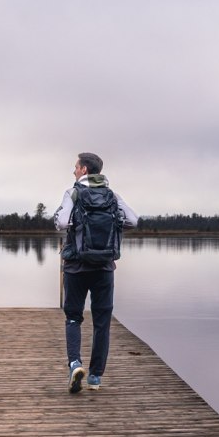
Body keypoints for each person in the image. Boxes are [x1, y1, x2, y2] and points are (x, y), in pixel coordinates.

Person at [53, 152, 137, 393]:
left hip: (76, 266)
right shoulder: (112, 195)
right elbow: (133, 220)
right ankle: (95, 377)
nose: (73, 171)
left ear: (84, 170)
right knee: (102, 322)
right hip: (104, 267)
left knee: (73, 317)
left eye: (76, 167)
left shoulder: (73, 193)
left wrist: (75, 225)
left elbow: (61, 223)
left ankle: (74, 364)